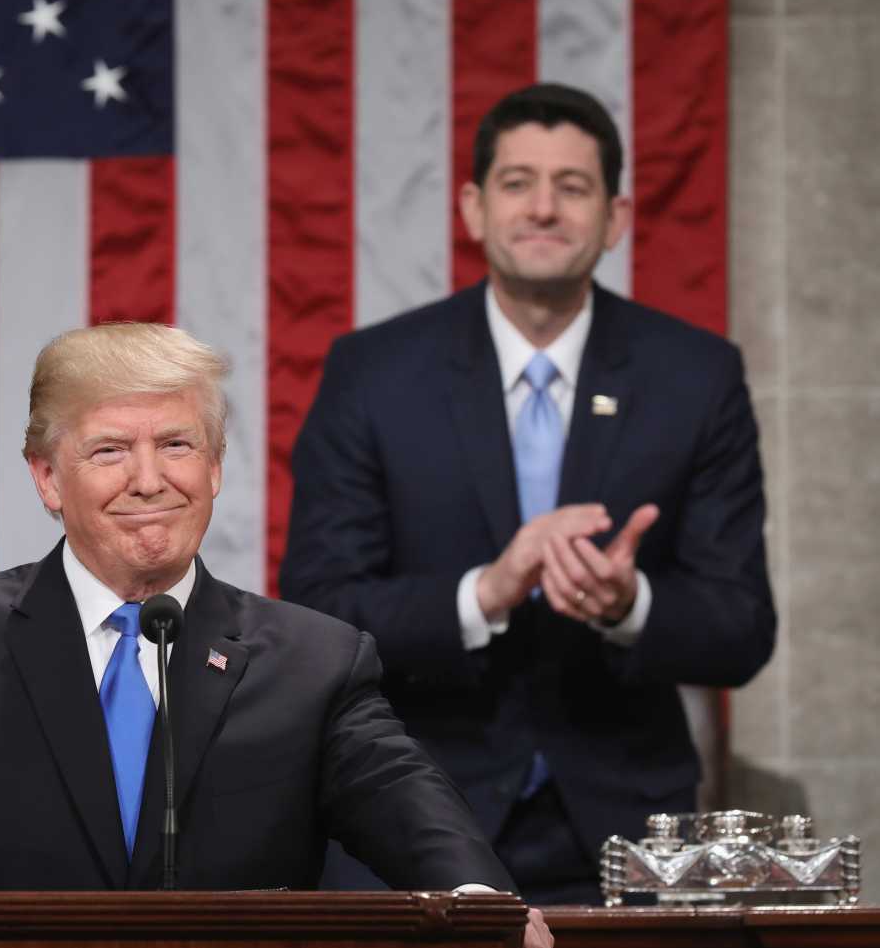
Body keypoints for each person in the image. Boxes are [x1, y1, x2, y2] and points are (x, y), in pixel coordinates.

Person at [0, 323, 553, 948]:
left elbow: (406, 803)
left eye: (177, 444)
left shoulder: (315, 661)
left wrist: (482, 907)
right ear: (47, 477)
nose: (149, 479)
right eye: (110, 450)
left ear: (214, 465)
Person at [280, 83, 775, 903]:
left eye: (572, 186)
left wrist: (631, 604)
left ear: (614, 217)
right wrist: (486, 592)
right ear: (474, 207)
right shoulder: (373, 374)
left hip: (626, 838)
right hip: (409, 823)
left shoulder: (697, 376)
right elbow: (320, 611)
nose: (544, 207)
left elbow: (743, 627)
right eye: (518, 182)